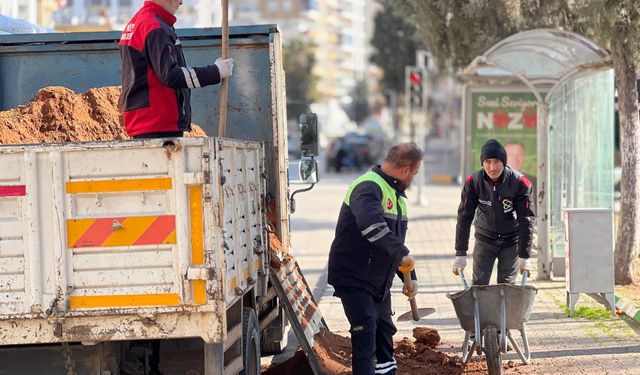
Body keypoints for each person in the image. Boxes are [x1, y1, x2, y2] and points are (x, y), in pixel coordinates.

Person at [328, 143, 422, 375]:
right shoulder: (368, 187)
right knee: (366, 329)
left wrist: (409, 276)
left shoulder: (397, 196)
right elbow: (372, 227)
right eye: (416, 173)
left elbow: (392, 242)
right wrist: (402, 254)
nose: (414, 178)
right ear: (406, 169)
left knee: (384, 332)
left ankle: (386, 371)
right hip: (354, 276)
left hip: (378, 281)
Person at [119, 0, 234, 138]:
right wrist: (215, 72)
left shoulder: (137, 23)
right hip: (159, 122)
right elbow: (171, 75)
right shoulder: (155, 26)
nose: (181, 2)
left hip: (145, 122)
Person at [453, 139, 535, 285]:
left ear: (504, 162)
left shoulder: (520, 183)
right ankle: (481, 309)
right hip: (485, 239)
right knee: (479, 285)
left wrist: (524, 256)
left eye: (497, 162)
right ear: (482, 163)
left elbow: (526, 220)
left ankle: (506, 309)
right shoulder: (473, 183)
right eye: (488, 162)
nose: (492, 167)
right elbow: (464, 218)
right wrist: (460, 252)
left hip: (511, 241)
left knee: (507, 286)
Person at [504, 140, 537, 210]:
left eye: (519, 154)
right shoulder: (489, 183)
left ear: (524, 158)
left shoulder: (535, 183)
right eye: (511, 155)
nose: (515, 159)